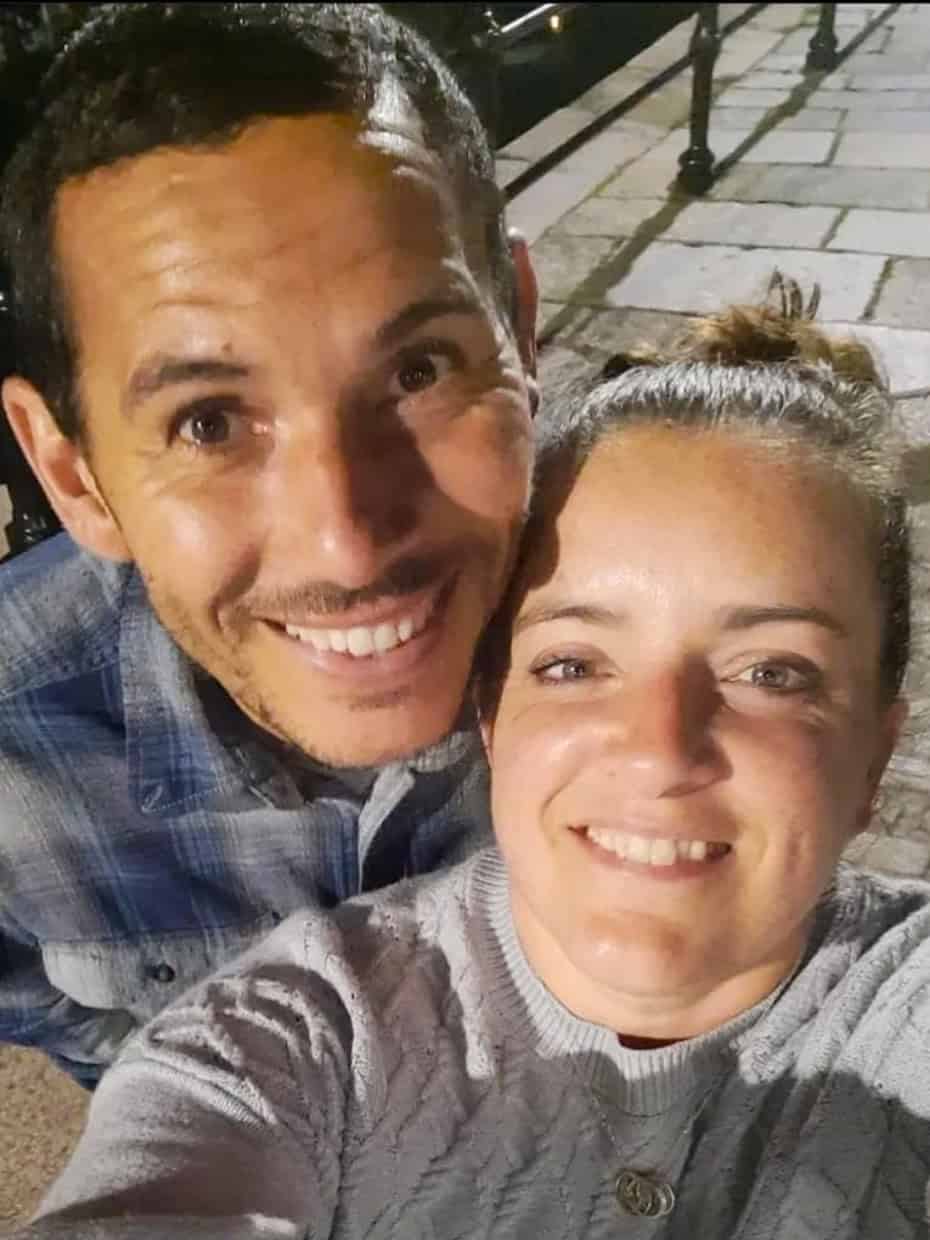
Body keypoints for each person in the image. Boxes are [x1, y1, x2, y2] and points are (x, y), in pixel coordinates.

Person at [16, 286, 928, 1240]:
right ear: (491, 719)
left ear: (875, 757)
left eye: (772, 672)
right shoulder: (293, 1039)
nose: (660, 751)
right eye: (574, 664)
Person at [0, 2, 539, 1086]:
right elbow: (48, 1005)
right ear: (73, 474)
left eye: (419, 371)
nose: (347, 543)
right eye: (208, 422)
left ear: (522, 331)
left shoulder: (689, 623)